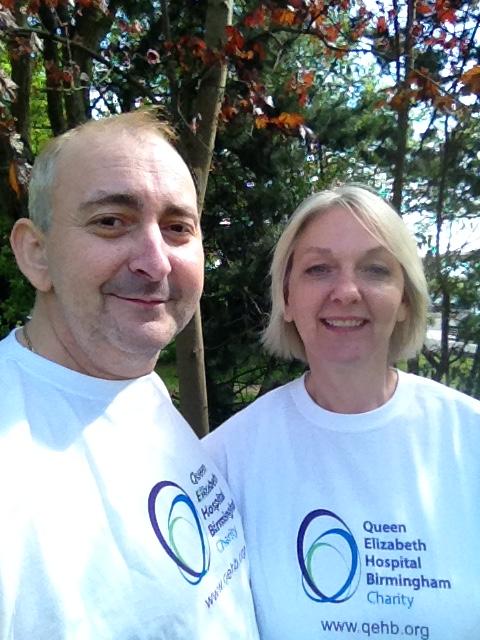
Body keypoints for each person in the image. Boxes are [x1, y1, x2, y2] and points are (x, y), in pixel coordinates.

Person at [0, 111, 259, 639]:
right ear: (36, 254)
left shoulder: (138, 388)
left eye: (178, 228)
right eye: (111, 221)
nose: (156, 262)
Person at [204, 184, 480, 640]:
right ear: (287, 298)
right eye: (319, 269)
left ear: (405, 299)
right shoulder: (226, 461)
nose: (347, 291)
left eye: (375, 269)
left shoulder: (469, 438)